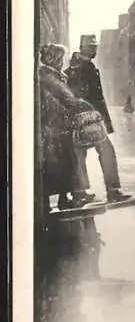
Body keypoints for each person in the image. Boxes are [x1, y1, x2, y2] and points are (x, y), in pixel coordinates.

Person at [64, 36, 131, 204]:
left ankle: (85, 192)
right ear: (82, 48)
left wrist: (104, 122)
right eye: (91, 47)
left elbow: (98, 98)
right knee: (92, 153)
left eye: (95, 47)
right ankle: (105, 191)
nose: (95, 50)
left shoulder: (87, 67)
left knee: (88, 153)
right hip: (84, 119)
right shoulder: (78, 68)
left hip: (92, 119)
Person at [39, 44, 96, 210]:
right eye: (59, 58)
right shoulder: (48, 75)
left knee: (66, 162)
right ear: (53, 58)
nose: (61, 61)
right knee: (60, 163)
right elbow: (66, 97)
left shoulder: (53, 75)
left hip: (59, 125)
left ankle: (68, 197)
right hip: (53, 127)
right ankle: (70, 197)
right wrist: (81, 104)